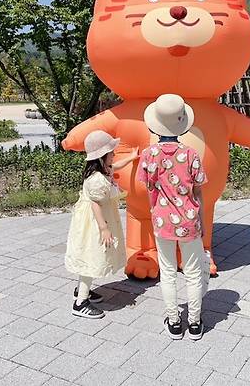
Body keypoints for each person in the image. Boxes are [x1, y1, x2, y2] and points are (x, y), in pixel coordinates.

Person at [137, 94, 208, 341]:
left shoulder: (148, 154)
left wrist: (156, 211)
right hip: (189, 221)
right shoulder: (191, 154)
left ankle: (175, 322)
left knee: (167, 271)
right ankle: (196, 323)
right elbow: (199, 191)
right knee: (193, 271)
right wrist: (202, 221)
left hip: (162, 220)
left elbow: (148, 190)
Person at [65, 130, 138, 319]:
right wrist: (104, 228)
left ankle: (84, 290)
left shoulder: (102, 171)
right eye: (111, 152)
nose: (114, 155)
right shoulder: (96, 180)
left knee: (93, 254)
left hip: (97, 219)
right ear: (101, 156)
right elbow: (96, 204)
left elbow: (116, 166)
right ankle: (80, 302)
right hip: (95, 223)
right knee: (91, 255)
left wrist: (131, 158)